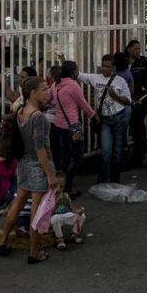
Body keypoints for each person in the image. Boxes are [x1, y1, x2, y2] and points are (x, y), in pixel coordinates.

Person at [0, 76, 62, 264]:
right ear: (33, 93)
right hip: (38, 166)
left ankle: (3, 241)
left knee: (18, 203)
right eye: (44, 89)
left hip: (23, 163)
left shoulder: (20, 110)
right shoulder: (39, 117)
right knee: (37, 210)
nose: (48, 92)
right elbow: (40, 148)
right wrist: (49, 174)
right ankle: (34, 252)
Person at [79, 54, 132, 184]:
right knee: (106, 152)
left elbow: (128, 101)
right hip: (105, 121)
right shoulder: (96, 78)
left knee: (118, 152)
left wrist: (115, 96)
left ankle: (115, 181)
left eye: (107, 66)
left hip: (119, 119)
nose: (104, 69)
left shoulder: (120, 81)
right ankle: (102, 182)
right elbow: (79, 75)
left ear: (113, 67)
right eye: (103, 66)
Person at [50, 61, 97, 195]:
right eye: (76, 70)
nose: (77, 72)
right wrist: (94, 116)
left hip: (59, 125)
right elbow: (83, 104)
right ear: (73, 72)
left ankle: (60, 184)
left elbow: (48, 100)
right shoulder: (73, 85)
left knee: (65, 155)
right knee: (78, 157)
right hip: (73, 127)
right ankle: (66, 185)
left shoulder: (55, 85)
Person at [126, 39, 147, 167]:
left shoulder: (144, 61)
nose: (137, 51)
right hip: (128, 97)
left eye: (139, 48)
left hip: (142, 96)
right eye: (135, 48)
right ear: (129, 49)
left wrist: (139, 85)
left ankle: (141, 150)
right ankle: (137, 147)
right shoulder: (124, 62)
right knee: (133, 122)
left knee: (138, 120)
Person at [48, 174, 87, 250]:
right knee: (55, 218)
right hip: (52, 219)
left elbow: (72, 209)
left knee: (82, 216)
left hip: (63, 216)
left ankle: (73, 235)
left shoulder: (65, 195)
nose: (59, 188)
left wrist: (78, 211)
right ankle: (59, 239)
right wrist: (56, 203)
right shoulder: (49, 196)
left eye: (61, 186)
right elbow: (48, 213)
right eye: (57, 186)